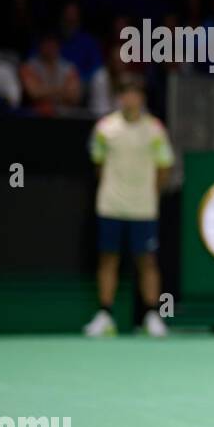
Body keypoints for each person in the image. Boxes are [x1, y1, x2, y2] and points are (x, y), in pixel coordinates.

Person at [83, 75, 175, 338]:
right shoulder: (104, 128)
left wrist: (147, 194)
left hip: (143, 207)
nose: (130, 99)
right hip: (110, 205)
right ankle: (105, 315)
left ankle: (152, 316)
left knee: (147, 261)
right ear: (119, 97)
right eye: (125, 94)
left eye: (135, 94)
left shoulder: (155, 130)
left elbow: (164, 168)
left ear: (142, 99)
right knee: (108, 259)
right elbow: (98, 164)